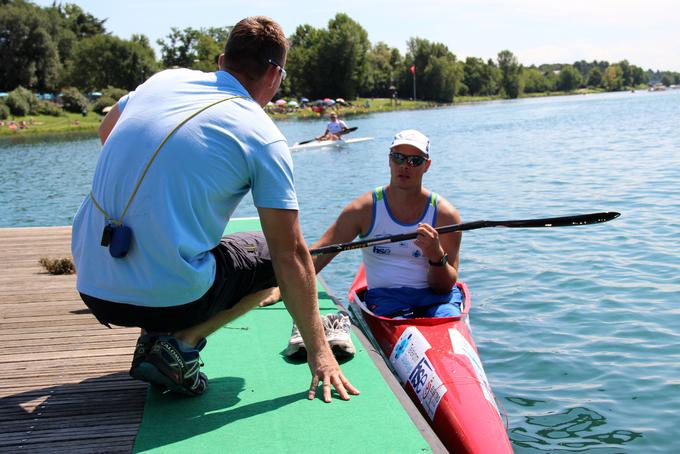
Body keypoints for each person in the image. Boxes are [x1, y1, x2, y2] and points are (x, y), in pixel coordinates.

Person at [71, 16, 358, 403]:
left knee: (194, 242)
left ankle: (156, 331)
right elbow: (289, 254)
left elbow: (107, 131)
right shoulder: (263, 135)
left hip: (91, 284)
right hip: (169, 297)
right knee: (270, 257)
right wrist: (320, 353)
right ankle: (181, 345)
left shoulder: (164, 80)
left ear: (223, 60)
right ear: (275, 74)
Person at [311, 129, 463, 318]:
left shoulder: (445, 215)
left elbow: (444, 287)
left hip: (437, 299)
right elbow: (319, 254)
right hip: (385, 300)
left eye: (414, 161)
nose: (405, 166)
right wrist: (281, 285)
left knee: (447, 316)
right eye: (398, 157)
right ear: (389, 160)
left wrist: (436, 256)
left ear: (426, 166)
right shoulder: (362, 210)